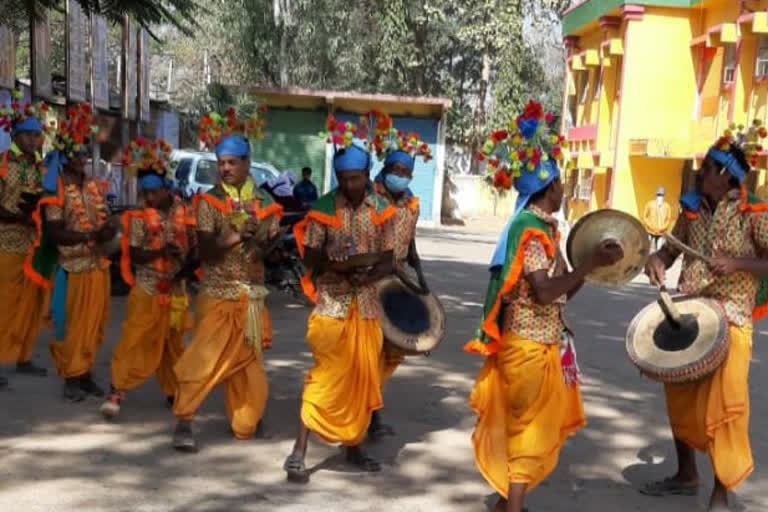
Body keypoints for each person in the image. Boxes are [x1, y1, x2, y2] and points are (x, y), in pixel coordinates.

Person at [465, 100, 622, 512]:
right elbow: (544, 291)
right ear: (550, 187)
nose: (564, 188)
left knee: (527, 430)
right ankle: (512, 507)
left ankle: (504, 504)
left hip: (544, 345)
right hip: (528, 350)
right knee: (526, 434)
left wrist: (589, 267)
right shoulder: (531, 232)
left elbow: (563, 291)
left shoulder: (546, 230)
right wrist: (588, 263)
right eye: (560, 182)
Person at [643, 122, 768, 512]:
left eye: (708, 168)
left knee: (724, 406)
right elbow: (670, 252)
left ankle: (720, 489)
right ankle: (686, 474)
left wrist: (739, 262)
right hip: (689, 312)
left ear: (727, 174)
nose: (699, 173)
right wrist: (656, 260)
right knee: (678, 392)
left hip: (730, 317)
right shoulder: (691, 209)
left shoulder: (755, 211)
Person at [284, 141, 396, 483]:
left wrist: (370, 273)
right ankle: (299, 452)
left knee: (363, 379)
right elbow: (310, 257)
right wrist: (335, 264)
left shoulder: (382, 208)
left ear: (367, 175)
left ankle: (354, 445)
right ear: (337, 177)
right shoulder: (323, 208)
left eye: (357, 178)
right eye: (344, 179)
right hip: (332, 303)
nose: (351, 186)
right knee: (325, 375)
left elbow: (390, 259)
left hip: (366, 306)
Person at [171, 109, 282, 452]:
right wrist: (236, 235)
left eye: (233, 163)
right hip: (217, 295)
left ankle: (246, 418)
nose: (226, 168)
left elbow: (270, 255)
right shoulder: (208, 201)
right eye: (222, 163)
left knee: (249, 367)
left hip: (250, 297)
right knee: (202, 360)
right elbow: (205, 251)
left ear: (248, 163)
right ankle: (184, 421)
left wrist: (265, 243)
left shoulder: (266, 203)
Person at [100, 138, 193, 418]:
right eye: (145, 192)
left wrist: (183, 256)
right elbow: (136, 255)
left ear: (166, 189)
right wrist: (162, 251)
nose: (149, 197)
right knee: (134, 339)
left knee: (173, 344)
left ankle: (173, 391)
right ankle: (117, 391)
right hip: (148, 288)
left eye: (154, 192)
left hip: (175, 290)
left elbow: (193, 248)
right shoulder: (139, 217)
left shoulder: (182, 212)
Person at [37, 103, 115, 402]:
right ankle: (71, 377)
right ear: (66, 158)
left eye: (85, 153)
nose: (83, 159)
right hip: (73, 268)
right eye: (78, 154)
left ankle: (84, 374)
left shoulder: (93, 185)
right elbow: (55, 232)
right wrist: (88, 235)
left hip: (99, 265)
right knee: (73, 326)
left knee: (95, 325)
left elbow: (104, 219)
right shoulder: (56, 189)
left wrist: (108, 230)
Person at [369, 114, 431, 439]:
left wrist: (421, 280)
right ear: (386, 168)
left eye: (407, 173)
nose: (401, 177)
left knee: (390, 350)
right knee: (369, 348)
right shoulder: (369, 200)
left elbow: (411, 244)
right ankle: (365, 415)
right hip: (369, 281)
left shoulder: (411, 204)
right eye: (397, 170)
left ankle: (372, 411)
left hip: (399, 281)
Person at [0, 96, 50, 389]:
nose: (34, 139)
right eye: (29, 134)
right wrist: (20, 219)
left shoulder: (40, 167)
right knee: (4, 304)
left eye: (37, 134)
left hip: (33, 246)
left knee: (31, 304)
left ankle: (23, 356)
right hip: (6, 243)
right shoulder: (3, 165)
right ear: (17, 135)